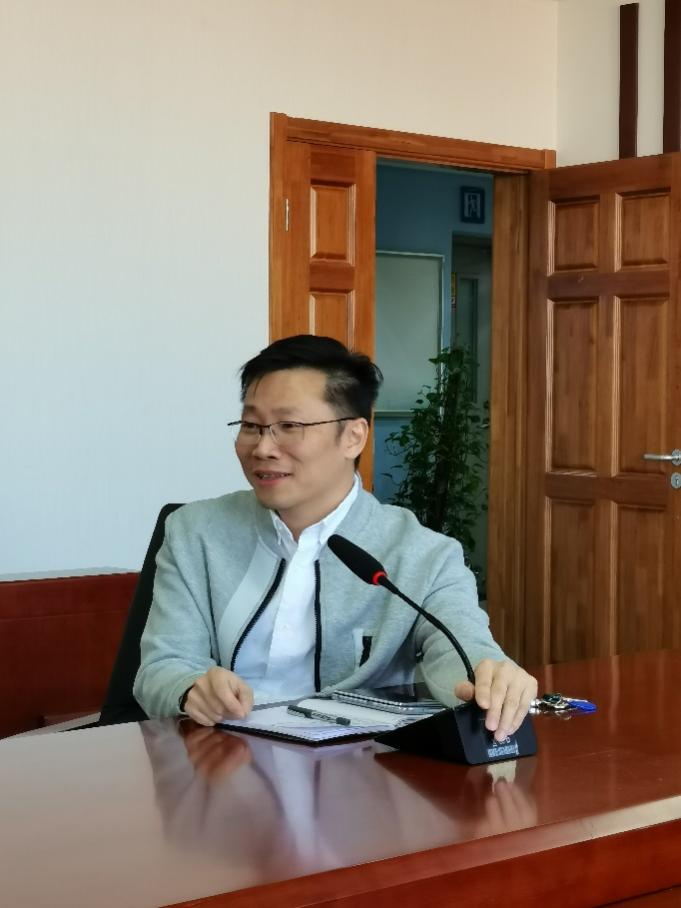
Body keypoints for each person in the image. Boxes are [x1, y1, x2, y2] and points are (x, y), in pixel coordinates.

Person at [134, 335, 537, 741]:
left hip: (357, 768)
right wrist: (190, 687)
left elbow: (461, 649)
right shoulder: (195, 532)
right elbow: (161, 666)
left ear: (353, 437)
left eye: (289, 426)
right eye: (252, 426)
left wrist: (490, 677)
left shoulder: (424, 555)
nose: (263, 447)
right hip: (221, 759)